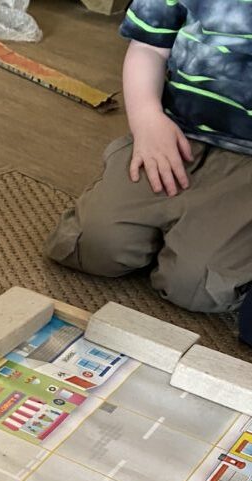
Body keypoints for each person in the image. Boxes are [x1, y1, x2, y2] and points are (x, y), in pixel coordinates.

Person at [46, 0, 252, 318]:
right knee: (92, 246)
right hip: (172, 135)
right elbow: (148, 48)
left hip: (245, 168)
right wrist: (146, 119)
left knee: (196, 286)